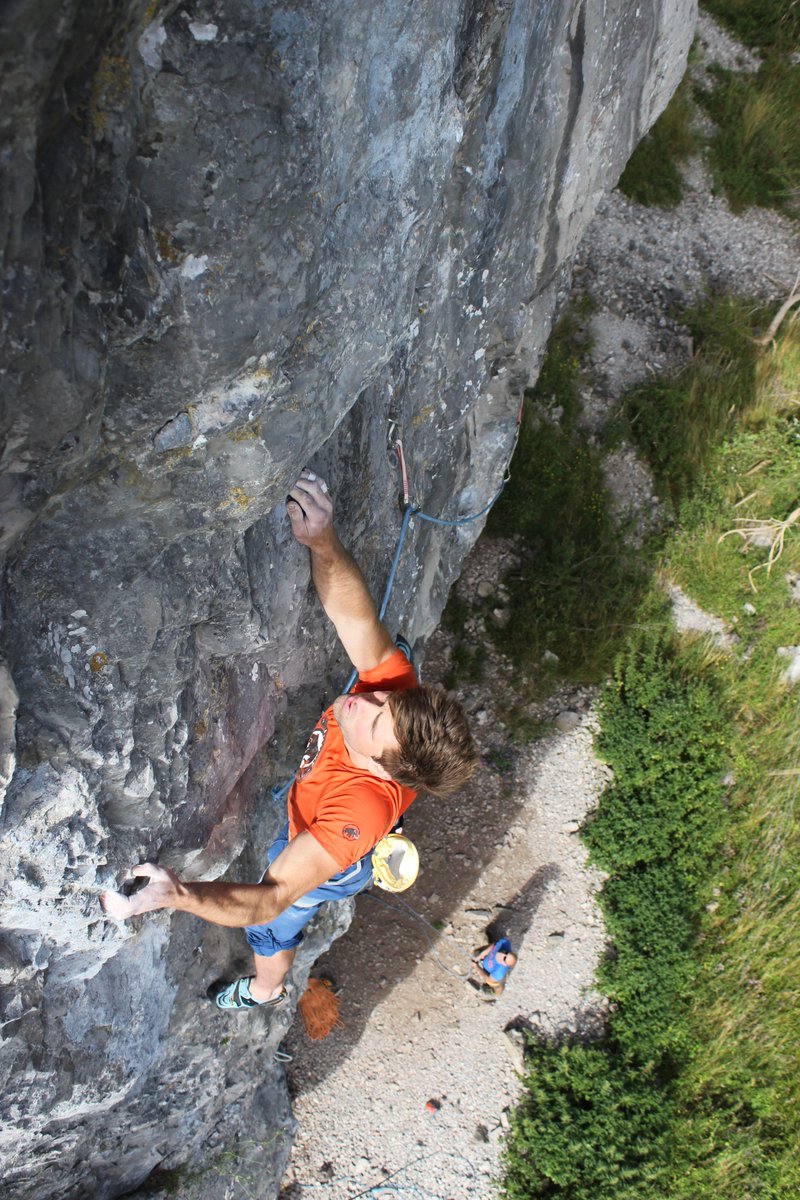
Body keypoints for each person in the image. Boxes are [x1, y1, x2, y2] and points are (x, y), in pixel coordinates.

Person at [101, 470, 477, 1012]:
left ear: (387, 769)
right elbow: (353, 615)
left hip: (334, 856)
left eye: (372, 723)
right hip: (321, 808)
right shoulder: (395, 699)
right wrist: (322, 540)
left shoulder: (357, 814)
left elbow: (272, 897)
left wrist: (177, 894)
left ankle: (266, 989)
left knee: (274, 928)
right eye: (382, 702)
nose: (360, 700)